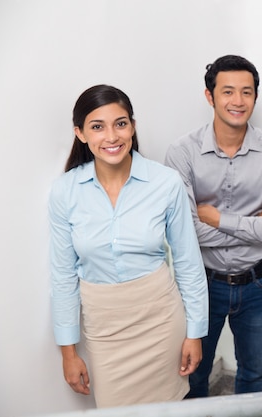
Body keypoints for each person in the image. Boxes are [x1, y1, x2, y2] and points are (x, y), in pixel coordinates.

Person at [48, 85, 209, 408]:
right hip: (103, 326)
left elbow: (189, 262)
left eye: (120, 124)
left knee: (170, 410)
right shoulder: (65, 191)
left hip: (161, 319)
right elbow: (63, 275)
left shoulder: (166, 183)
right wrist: (69, 352)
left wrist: (195, 333)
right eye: (97, 126)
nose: (111, 136)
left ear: (133, 127)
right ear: (80, 134)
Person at [165, 55, 262, 398]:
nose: (238, 101)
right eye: (228, 92)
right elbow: (185, 230)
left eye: (246, 92)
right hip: (201, 283)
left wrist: (218, 219)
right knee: (193, 374)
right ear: (210, 97)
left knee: (254, 374)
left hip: (258, 283)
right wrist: (256, 224)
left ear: (255, 97)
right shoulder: (182, 152)